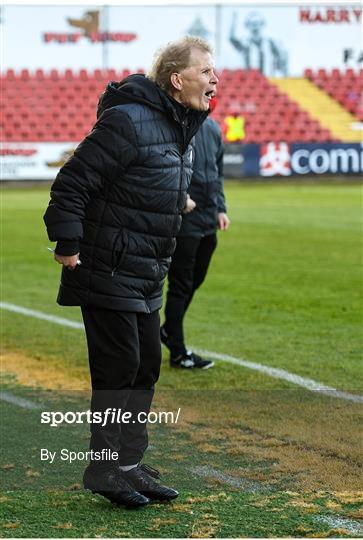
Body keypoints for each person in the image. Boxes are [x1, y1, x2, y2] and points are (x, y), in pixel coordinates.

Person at [43, 36, 218, 508]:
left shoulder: (182, 125)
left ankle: (127, 465)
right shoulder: (128, 119)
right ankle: (104, 468)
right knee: (119, 368)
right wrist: (67, 241)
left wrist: (175, 201)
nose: (215, 79)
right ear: (177, 79)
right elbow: (73, 182)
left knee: (144, 363)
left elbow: (145, 180)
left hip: (144, 270)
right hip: (107, 266)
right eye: (206, 71)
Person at [161, 98, 230, 369]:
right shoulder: (175, 127)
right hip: (185, 219)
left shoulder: (213, 129)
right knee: (181, 285)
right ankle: (178, 350)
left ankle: (168, 330)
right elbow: (164, 169)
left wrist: (221, 208)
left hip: (208, 219)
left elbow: (218, 172)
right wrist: (180, 199)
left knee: (194, 280)